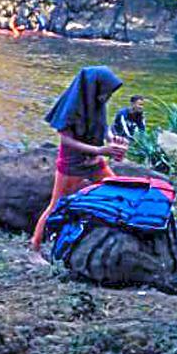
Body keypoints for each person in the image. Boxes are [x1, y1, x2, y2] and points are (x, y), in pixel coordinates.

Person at [30, 66, 128, 256]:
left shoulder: (97, 102)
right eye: (106, 92)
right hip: (72, 165)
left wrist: (112, 140)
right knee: (55, 205)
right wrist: (99, 150)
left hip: (95, 162)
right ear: (94, 88)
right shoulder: (72, 107)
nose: (108, 96)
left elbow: (104, 126)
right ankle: (35, 246)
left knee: (116, 188)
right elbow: (66, 140)